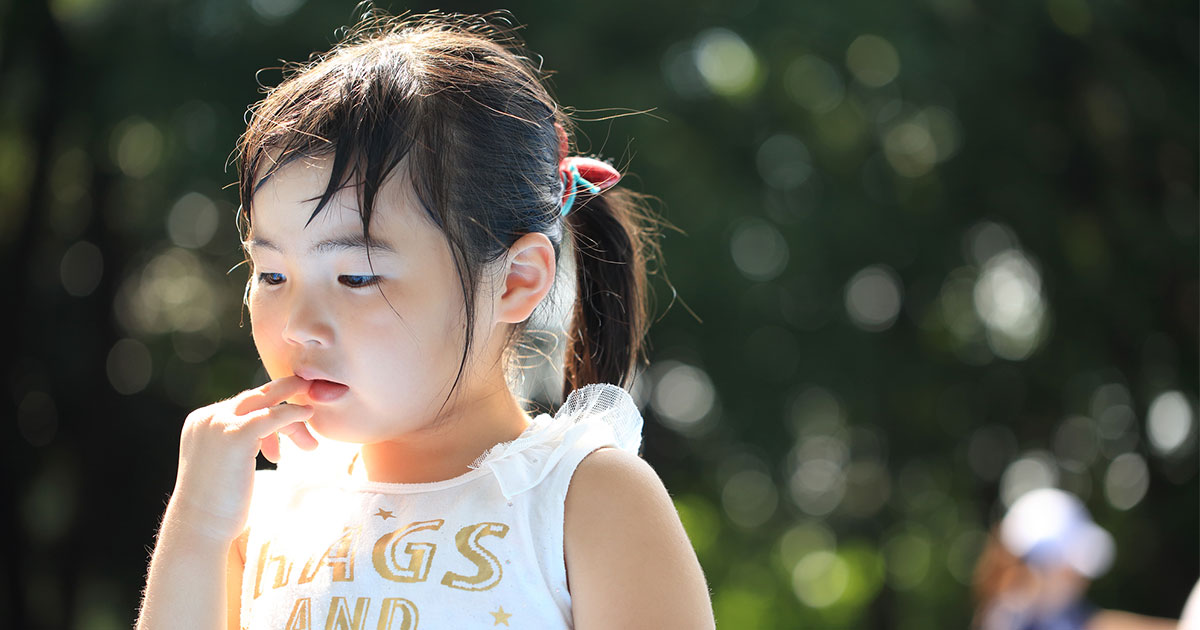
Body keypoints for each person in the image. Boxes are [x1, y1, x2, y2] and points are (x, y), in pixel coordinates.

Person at [135, 9, 715, 630]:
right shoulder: (259, 516)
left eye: (356, 277)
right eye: (272, 275)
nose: (299, 324)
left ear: (517, 280)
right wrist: (195, 524)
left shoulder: (581, 499)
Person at [972, 487, 1177, 630]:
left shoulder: (1057, 615)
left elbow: (1094, 624)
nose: (1081, 579)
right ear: (1036, 565)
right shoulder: (1011, 621)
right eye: (1068, 569)